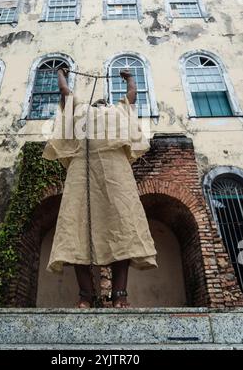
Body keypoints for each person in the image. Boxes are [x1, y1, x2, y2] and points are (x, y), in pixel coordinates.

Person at [42, 68, 157, 308]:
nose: (103, 103)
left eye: (105, 102)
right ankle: (86, 295)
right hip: (82, 170)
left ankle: (120, 296)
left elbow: (132, 95)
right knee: (75, 230)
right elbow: (64, 92)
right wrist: (61, 72)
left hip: (117, 172)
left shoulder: (119, 110)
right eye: (99, 102)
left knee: (122, 227)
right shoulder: (81, 110)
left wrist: (129, 79)